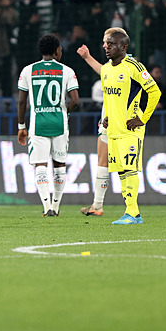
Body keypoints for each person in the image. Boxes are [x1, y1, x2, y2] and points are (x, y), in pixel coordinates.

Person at [101, 30, 161, 225]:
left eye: (112, 44)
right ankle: (130, 211)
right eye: (107, 44)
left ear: (124, 47)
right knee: (121, 171)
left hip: (130, 130)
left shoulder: (134, 67)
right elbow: (108, 97)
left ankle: (133, 213)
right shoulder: (105, 69)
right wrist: (107, 116)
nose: (107, 47)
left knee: (130, 168)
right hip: (114, 129)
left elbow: (155, 92)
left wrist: (142, 119)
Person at [17, 35, 80, 217]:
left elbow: (22, 101)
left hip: (38, 124)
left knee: (40, 165)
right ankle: (56, 205)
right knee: (59, 165)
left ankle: (46, 207)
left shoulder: (28, 70)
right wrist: (65, 113)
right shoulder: (67, 71)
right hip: (59, 123)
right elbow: (75, 101)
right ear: (57, 51)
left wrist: (21, 126)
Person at [76, 27, 130, 216]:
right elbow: (104, 72)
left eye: (108, 42)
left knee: (126, 166)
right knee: (103, 160)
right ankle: (97, 205)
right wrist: (87, 57)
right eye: (105, 42)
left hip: (124, 121)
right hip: (107, 119)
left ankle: (131, 208)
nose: (105, 45)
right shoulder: (110, 67)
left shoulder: (129, 66)